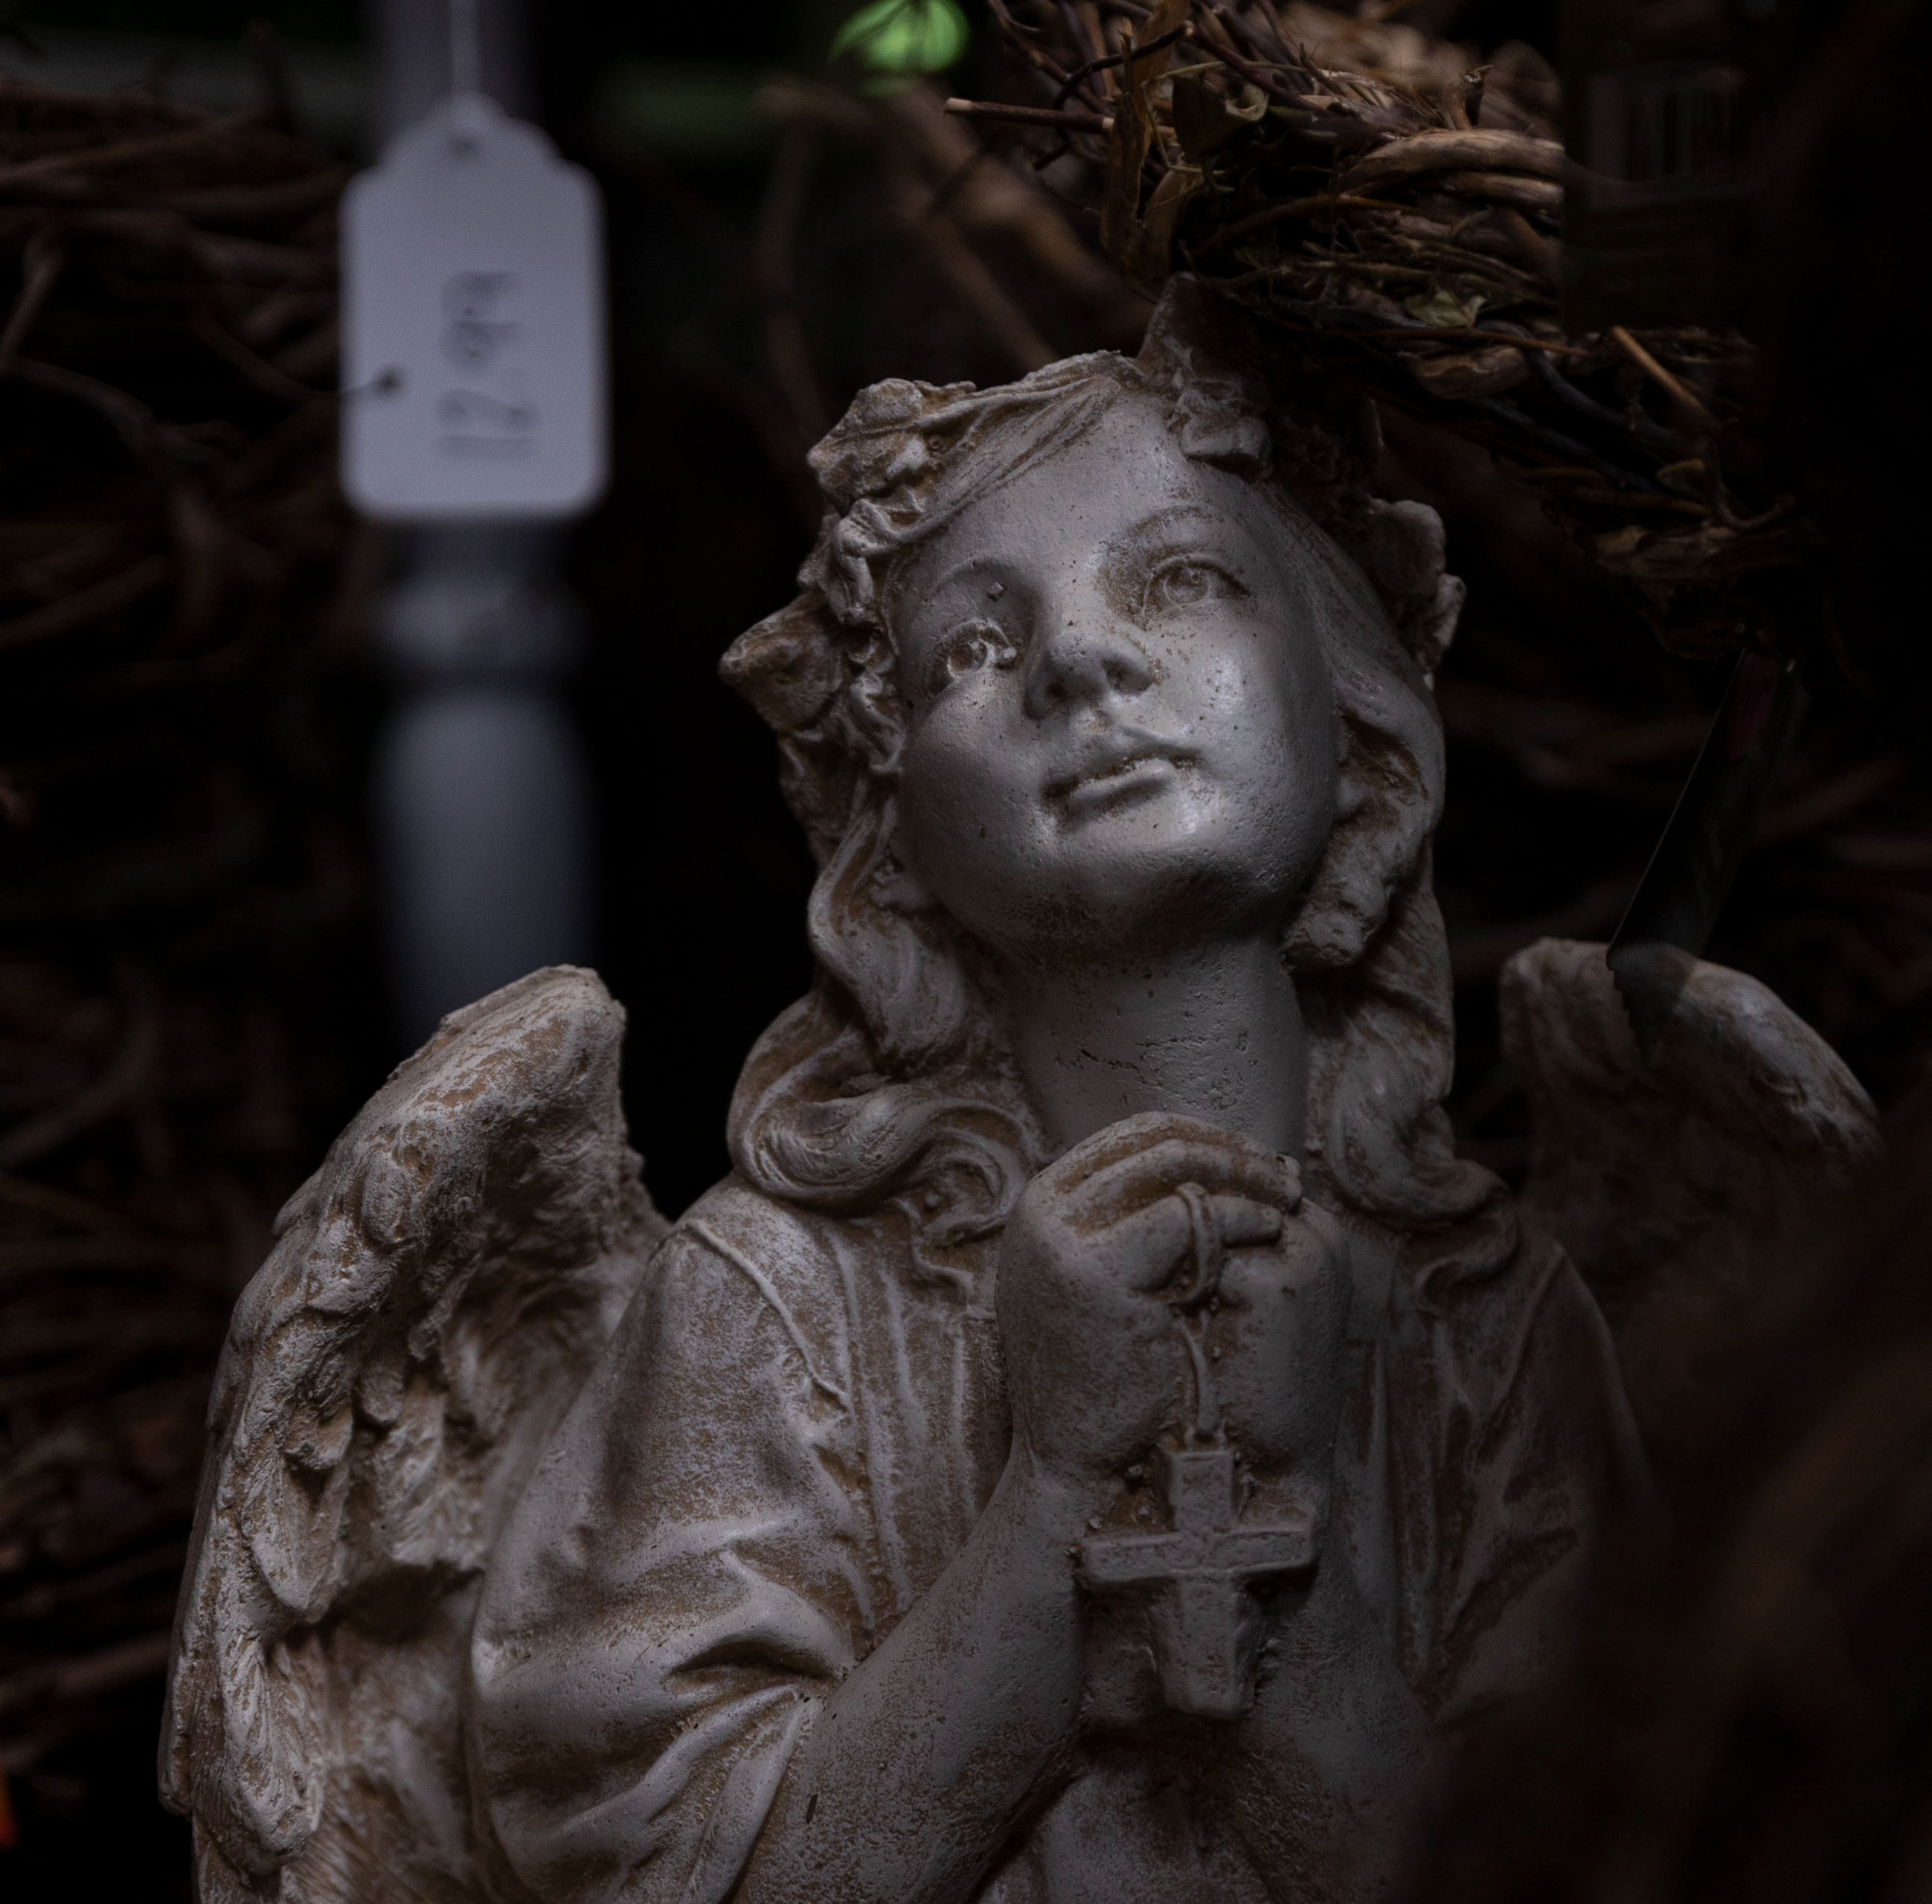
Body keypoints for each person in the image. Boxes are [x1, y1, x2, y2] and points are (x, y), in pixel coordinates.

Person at [465, 286, 1641, 1904]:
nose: (1079, 657)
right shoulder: (777, 1310)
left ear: (1367, 726)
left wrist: (1275, 1524)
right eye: (975, 644)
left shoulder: (1485, 1322)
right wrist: (1059, 1493)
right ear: (894, 832)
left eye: (1183, 578)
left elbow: (1611, 1850)